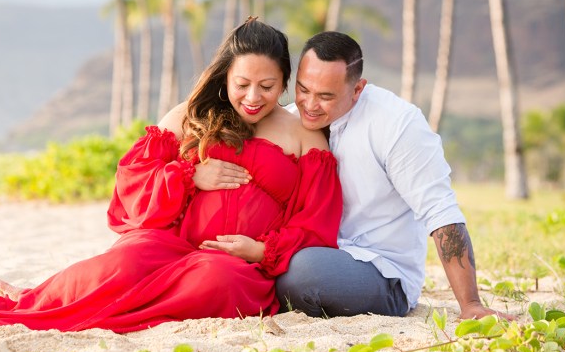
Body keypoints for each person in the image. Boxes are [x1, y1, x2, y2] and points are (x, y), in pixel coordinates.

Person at [0, 18, 342, 335]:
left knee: (214, 281)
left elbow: (317, 221)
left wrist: (259, 250)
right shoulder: (191, 115)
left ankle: (82, 312)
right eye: (242, 84)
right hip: (172, 244)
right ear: (226, 75)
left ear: (284, 82)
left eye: (267, 86)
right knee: (125, 261)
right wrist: (189, 175)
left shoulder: (303, 135)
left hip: (238, 265)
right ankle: (38, 301)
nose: (253, 97)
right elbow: (134, 181)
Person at [199, 31, 512, 321]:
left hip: (379, 269)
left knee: (299, 273)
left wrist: (471, 304)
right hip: (305, 249)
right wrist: (196, 172)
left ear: (358, 89)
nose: (309, 104)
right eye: (303, 89)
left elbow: (441, 212)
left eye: (326, 96)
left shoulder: (397, 124)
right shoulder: (292, 119)